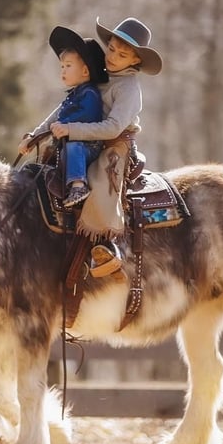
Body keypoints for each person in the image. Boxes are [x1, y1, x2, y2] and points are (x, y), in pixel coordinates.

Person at [49, 17, 163, 278]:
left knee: (100, 182)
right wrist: (39, 133)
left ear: (135, 61)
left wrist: (72, 130)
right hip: (81, 137)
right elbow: (67, 107)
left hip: (114, 144)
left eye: (122, 54)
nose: (112, 57)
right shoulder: (98, 72)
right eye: (111, 48)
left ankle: (106, 246)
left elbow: (112, 127)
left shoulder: (129, 89)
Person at [18, 26, 109, 208]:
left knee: (74, 147)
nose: (63, 71)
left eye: (68, 66)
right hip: (68, 144)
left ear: (85, 72)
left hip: (87, 146)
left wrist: (64, 126)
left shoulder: (89, 94)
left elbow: (87, 116)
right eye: (62, 66)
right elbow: (53, 118)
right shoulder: (73, 94)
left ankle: (78, 185)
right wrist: (33, 137)